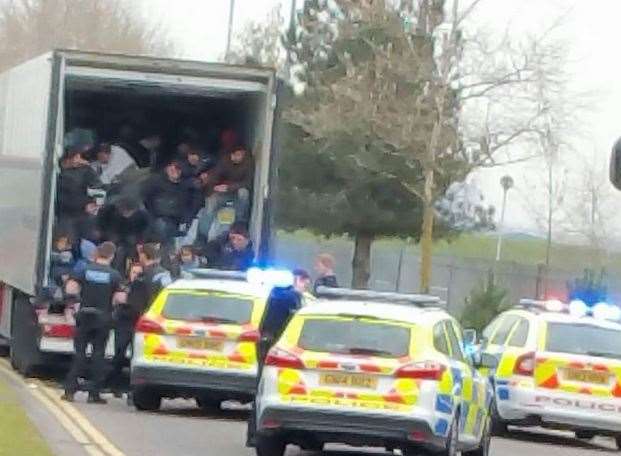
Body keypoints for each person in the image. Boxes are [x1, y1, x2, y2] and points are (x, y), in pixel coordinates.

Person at [246, 269, 312, 447]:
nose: (305, 286)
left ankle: (254, 434)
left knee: (262, 389)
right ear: (297, 280)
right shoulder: (290, 298)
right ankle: (257, 434)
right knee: (268, 390)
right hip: (276, 346)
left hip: (266, 343)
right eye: (305, 282)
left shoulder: (275, 294)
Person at [62, 242, 122, 404]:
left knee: (80, 354)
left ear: (97, 254)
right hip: (103, 318)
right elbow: (120, 299)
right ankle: (94, 393)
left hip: (84, 314)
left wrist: (74, 303)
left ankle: (69, 391)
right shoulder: (114, 275)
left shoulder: (84, 270)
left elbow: (71, 288)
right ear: (112, 256)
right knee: (98, 355)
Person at [197, 147, 253, 240]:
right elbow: (214, 176)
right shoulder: (224, 162)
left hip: (236, 193)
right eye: (238, 155)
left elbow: (248, 183)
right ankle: (202, 236)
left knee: (244, 193)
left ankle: (239, 227)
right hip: (222, 193)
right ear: (232, 155)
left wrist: (229, 187)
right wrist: (215, 186)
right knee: (211, 204)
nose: (240, 157)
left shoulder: (248, 163)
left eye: (242, 155)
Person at [107, 263, 147, 395]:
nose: (135, 274)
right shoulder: (123, 286)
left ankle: (132, 390)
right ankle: (115, 386)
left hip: (137, 324)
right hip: (123, 323)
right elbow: (115, 301)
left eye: (138, 272)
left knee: (135, 357)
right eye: (133, 272)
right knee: (118, 355)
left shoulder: (143, 287)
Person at [142, 160, 200, 246]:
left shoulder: (188, 187)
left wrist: (185, 220)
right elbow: (147, 198)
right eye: (171, 169)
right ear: (166, 170)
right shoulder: (157, 182)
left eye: (177, 169)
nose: (174, 171)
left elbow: (194, 204)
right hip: (155, 215)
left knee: (163, 227)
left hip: (174, 220)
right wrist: (151, 214)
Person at [97, 197, 153, 272]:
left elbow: (146, 228)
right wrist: (104, 234)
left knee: (130, 248)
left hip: (133, 233)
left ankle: (129, 271)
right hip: (113, 230)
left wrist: (140, 241)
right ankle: (113, 269)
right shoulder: (109, 208)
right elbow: (101, 222)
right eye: (124, 212)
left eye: (129, 213)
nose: (126, 215)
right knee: (114, 248)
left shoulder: (142, 213)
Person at [57, 148, 102, 223]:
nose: (77, 160)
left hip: (61, 202)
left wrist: (96, 203)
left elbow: (98, 188)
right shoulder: (61, 156)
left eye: (78, 158)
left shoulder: (85, 171)